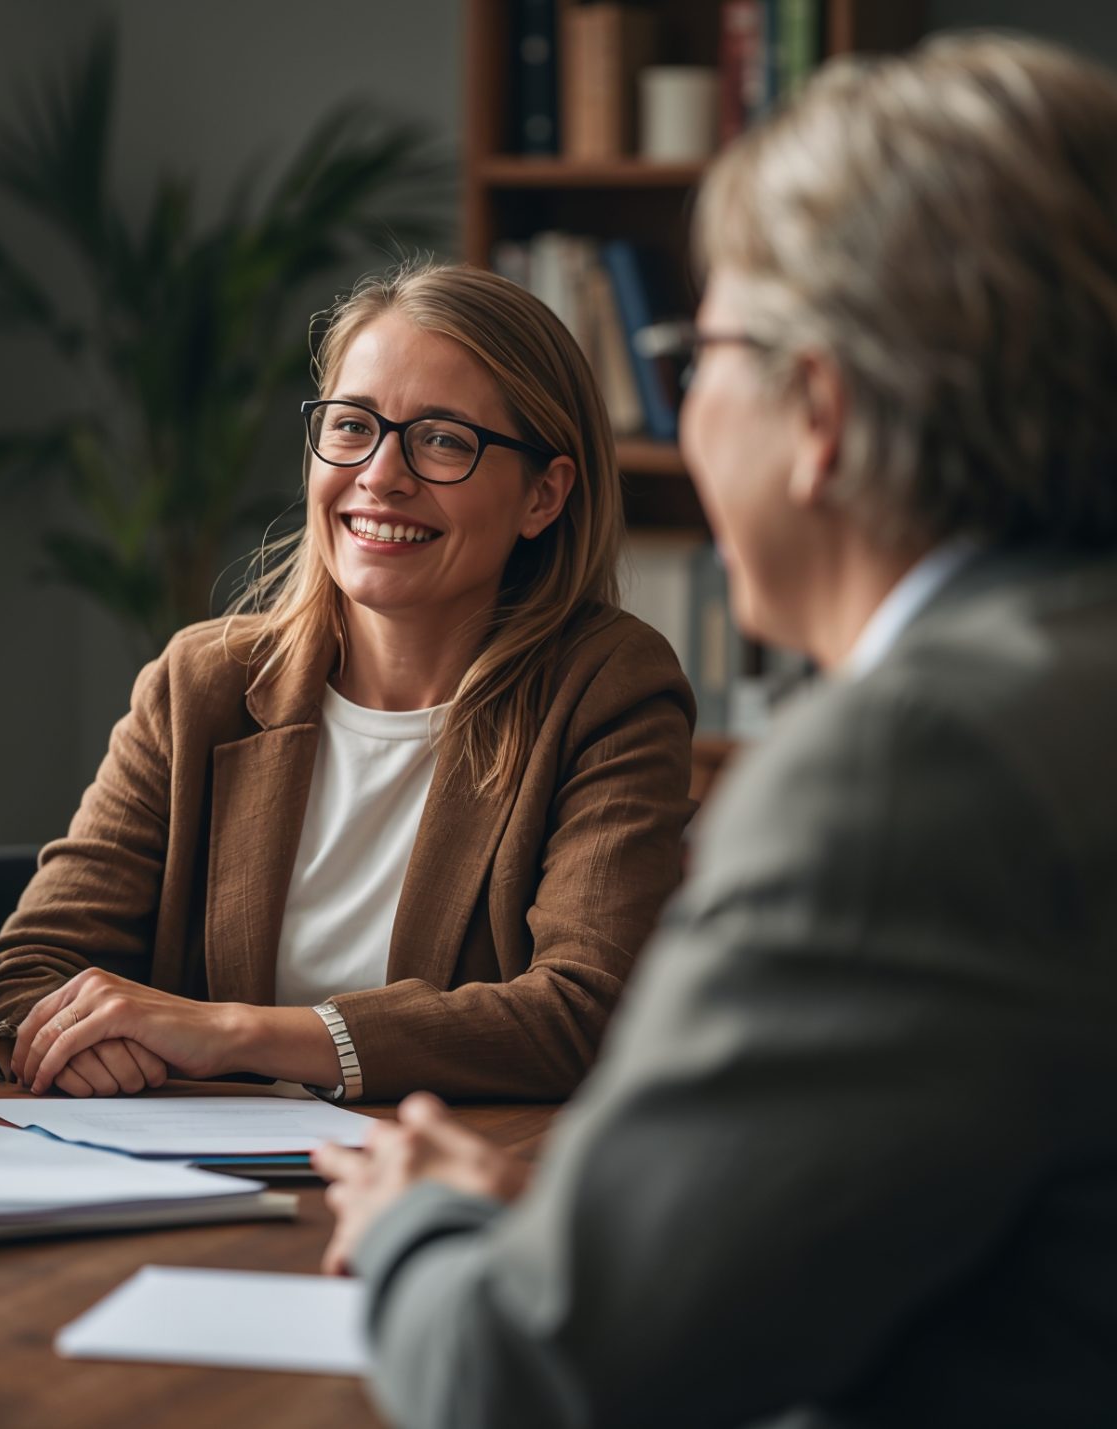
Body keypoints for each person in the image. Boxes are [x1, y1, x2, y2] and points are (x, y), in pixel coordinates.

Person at [318, 34, 1117, 1427]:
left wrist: (415, 1219)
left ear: (820, 413)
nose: (686, 411)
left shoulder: (909, 768)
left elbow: (533, 1373)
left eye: (701, 356)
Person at [0, 261, 695, 1103]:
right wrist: (88, 1046)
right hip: (195, 1171)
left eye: (443, 439)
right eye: (351, 426)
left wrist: (234, 1031)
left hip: (452, 1173)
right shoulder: (202, 687)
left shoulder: (607, 690)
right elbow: (15, 979)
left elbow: (582, 1012)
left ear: (544, 495)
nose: (381, 474)